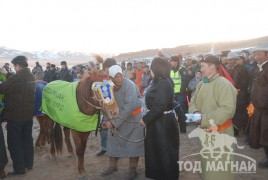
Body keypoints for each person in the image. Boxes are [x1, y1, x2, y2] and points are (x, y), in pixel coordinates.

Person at [189, 55, 237, 180]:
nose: (201, 69)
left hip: (221, 134)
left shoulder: (224, 84)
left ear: (212, 67)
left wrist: (203, 119)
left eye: (203, 66)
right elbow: (193, 101)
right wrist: (195, 113)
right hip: (205, 134)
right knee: (207, 168)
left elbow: (227, 110)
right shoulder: (201, 84)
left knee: (219, 170)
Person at [140, 57, 179, 180]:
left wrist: (145, 119)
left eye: (151, 68)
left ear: (156, 69)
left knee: (165, 153)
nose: (150, 70)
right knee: (157, 153)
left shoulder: (164, 83)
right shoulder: (158, 81)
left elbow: (160, 106)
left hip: (162, 124)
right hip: (157, 123)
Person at [102, 65, 144, 180]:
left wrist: (113, 123)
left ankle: (133, 170)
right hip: (117, 119)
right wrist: (105, 120)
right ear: (110, 78)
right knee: (112, 142)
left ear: (122, 74)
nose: (118, 79)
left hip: (133, 120)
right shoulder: (107, 87)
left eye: (120, 76)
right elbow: (106, 105)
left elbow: (129, 107)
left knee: (133, 145)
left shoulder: (130, 85)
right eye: (115, 77)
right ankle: (112, 166)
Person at [0, 56, 36, 176]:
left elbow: (2, 88)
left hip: (15, 116)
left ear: (17, 66)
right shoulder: (31, 76)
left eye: (14, 67)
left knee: (14, 143)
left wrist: (5, 76)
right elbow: (18, 84)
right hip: (28, 116)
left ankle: (19, 169)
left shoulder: (16, 77)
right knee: (27, 140)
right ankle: (28, 163)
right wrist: (9, 75)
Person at [249, 43, 268, 168]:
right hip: (259, 108)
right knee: (263, 134)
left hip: (266, 108)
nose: (257, 56)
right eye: (255, 54)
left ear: (266, 55)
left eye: (259, 54)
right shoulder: (257, 68)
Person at [96, 58, 117, 157]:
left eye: (108, 68)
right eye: (106, 68)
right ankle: (104, 147)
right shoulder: (102, 79)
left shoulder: (118, 78)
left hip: (116, 111)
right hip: (104, 110)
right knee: (103, 128)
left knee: (116, 129)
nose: (107, 70)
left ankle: (116, 149)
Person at [226, 52, 249, 136]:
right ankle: (234, 131)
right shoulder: (228, 69)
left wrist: (241, 94)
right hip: (230, 94)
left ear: (235, 60)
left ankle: (241, 130)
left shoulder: (242, 69)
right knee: (232, 112)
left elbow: (244, 83)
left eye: (231, 60)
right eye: (228, 60)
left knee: (239, 112)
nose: (229, 61)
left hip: (239, 94)